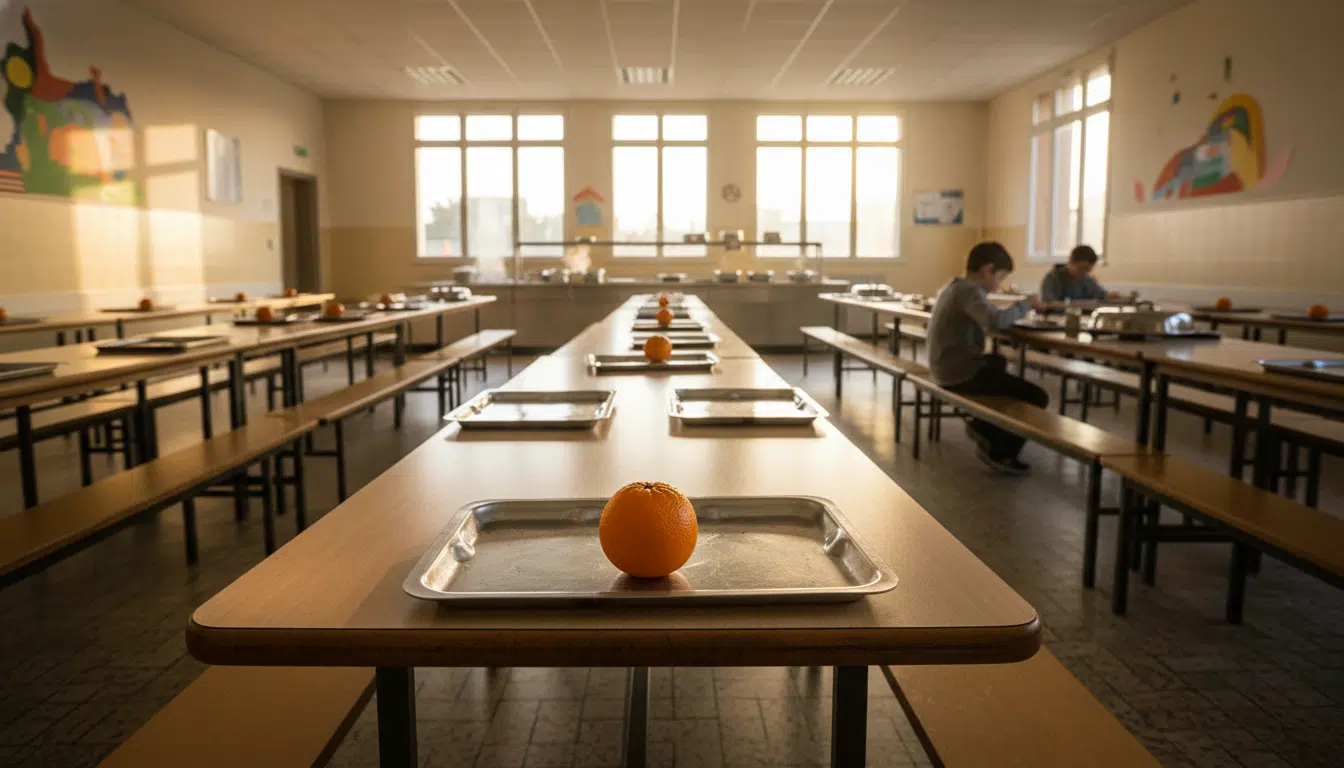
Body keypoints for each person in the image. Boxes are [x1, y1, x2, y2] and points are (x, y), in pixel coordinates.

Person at [927, 242, 1049, 475]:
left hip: (945, 367)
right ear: (987, 270)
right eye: (1000, 277)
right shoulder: (969, 290)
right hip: (958, 373)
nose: (999, 284)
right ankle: (1001, 451)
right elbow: (993, 322)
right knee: (1036, 396)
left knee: (997, 363)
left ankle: (984, 426)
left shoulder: (954, 287)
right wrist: (1025, 304)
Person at [1039, 245, 1108, 303]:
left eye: (1088, 270)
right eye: (1081, 268)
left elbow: (1102, 296)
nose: (1084, 273)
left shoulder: (1086, 279)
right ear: (1071, 262)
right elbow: (1048, 303)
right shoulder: (1053, 278)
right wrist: (1076, 304)